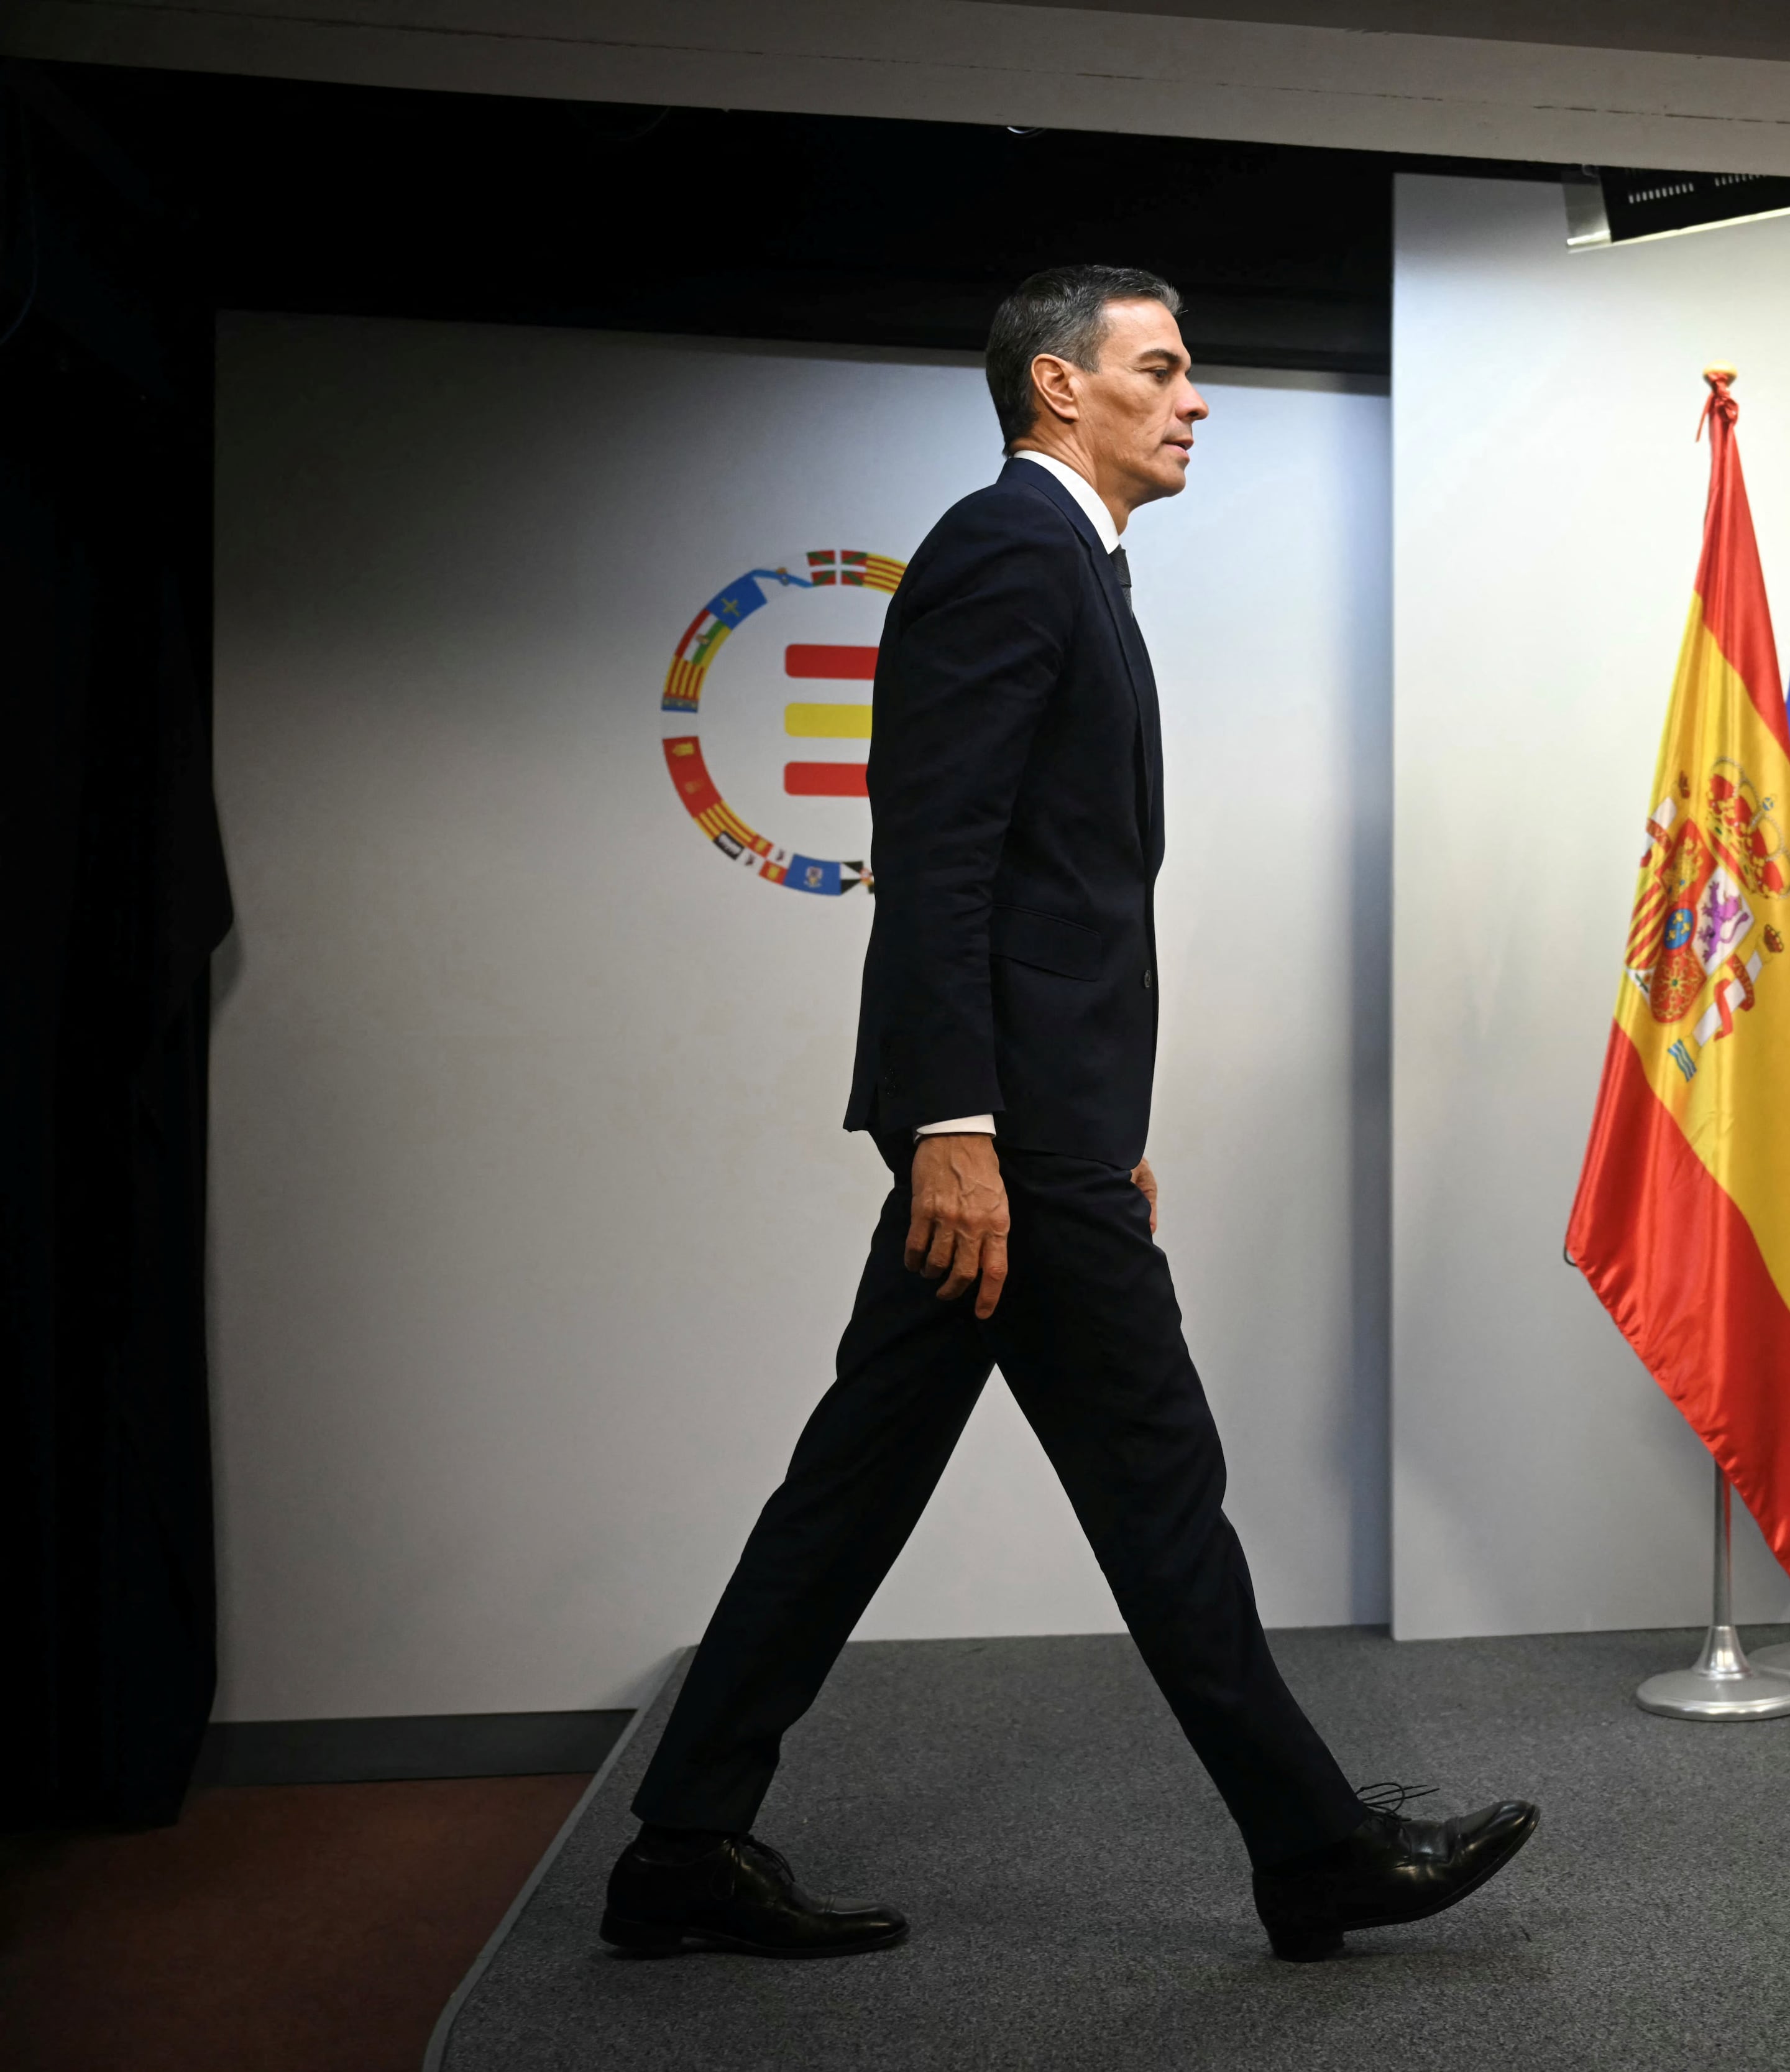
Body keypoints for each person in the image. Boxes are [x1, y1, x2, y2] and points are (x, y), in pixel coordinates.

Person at [601, 264, 1536, 1964]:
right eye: (1162, 370)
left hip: (1047, 1129)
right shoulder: (1010, 549)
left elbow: (1051, 885)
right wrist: (962, 1126)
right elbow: (943, 858)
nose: (1194, 401)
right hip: (1009, 1143)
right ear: (1058, 390)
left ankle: (681, 1844)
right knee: (1159, 1481)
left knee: (854, 1488)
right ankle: (1315, 1846)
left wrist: (1086, 1118)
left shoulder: (1070, 569)